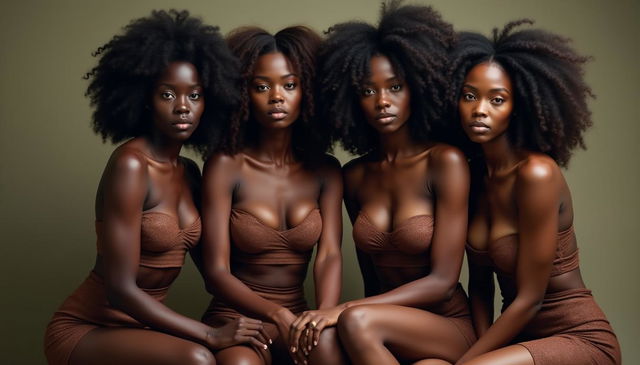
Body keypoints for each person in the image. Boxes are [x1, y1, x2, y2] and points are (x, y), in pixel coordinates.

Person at [43, 10, 269, 365]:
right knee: (200, 358)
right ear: (146, 98)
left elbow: (215, 272)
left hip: (142, 331)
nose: (183, 108)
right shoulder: (131, 165)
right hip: (88, 328)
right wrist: (210, 333)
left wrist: (276, 316)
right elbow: (119, 290)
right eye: (168, 95)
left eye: (194, 96)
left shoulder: (190, 172)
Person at [289, 2, 475, 364]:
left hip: (446, 324)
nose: (383, 101)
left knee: (352, 320)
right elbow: (371, 275)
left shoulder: (444, 162)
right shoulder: (356, 175)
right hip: (377, 328)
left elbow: (443, 281)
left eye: (395, 87)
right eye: (368, 90)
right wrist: (345, 316)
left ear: (417, 89)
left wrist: (344, 309)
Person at [448, 20, 621, 365]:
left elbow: (530, 298)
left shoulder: (537, 174)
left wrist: (467, 363)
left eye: (497, 99)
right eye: (469, 96)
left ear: (521, 106)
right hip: (518, 338)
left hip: (577, 336)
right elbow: (480, 287)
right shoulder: (474, 177)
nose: (479, 109)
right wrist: (477, 353)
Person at [199, 26, 346, 365]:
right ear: (243, 93)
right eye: (261, 86)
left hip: (299, 316)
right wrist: (275, 313)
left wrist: (322, 316)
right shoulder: (226, 166)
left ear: (308, 91)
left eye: (289, 85)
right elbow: (215, 270)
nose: (276, 96)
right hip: (236, 319)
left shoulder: (326, 170)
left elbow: (329, 256)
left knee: (329, 352)